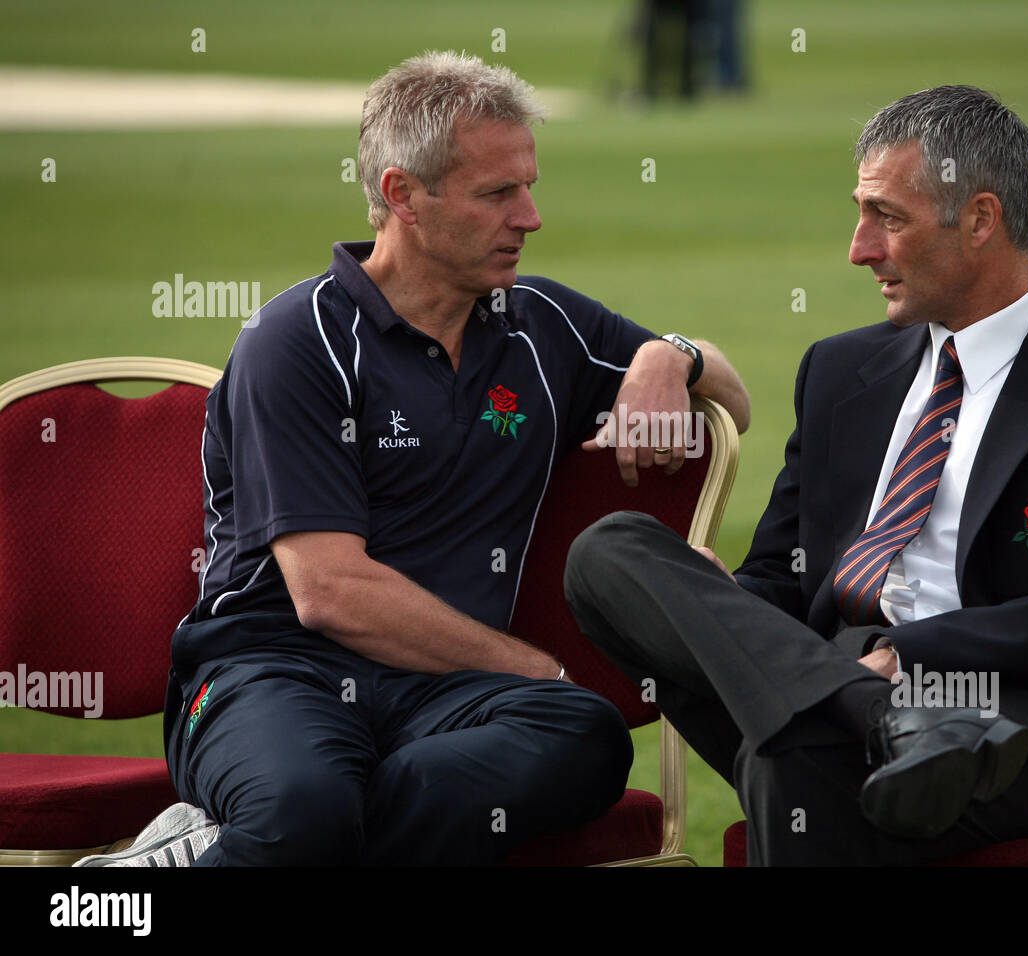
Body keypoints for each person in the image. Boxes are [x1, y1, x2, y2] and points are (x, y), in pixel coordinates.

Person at [76, 50, 749, 867]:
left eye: (529, 185)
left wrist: (666, 357)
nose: (530, 216)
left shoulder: (541, 325)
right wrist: (533, 666)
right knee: (305, 801)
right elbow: (331, 593)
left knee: (587, 737)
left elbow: (732, 405)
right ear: (403, 196)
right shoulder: (298, 341)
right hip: (271, 671)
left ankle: (221, 849)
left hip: (443, 693)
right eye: (498, 193)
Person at [565, 85, 1028, 866]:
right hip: (841, 672)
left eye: (887, 218)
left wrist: (913, 659)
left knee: (790, 759)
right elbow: (782, 580)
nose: (859, 248)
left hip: (1017, 718)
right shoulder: (840, 370)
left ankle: (883, 716)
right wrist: (718, 597)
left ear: (979, 219)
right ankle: (878, 719)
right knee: (609, 553)